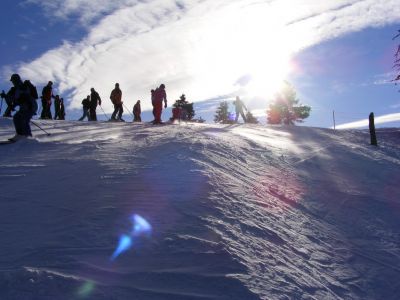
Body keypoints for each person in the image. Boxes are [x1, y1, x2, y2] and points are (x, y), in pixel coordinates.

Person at [7, 74, 35, 141]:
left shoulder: (23, 86)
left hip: (30, 106)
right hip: (24, 108)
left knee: (24, 119)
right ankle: (20, 135)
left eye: (13, 80)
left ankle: (28, 137)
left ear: (17, 80)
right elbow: (16, 99)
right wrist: (11, 104)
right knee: (16, 118)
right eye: (12, 81)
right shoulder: (15, 89)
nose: (13, 82)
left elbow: (26, 96)